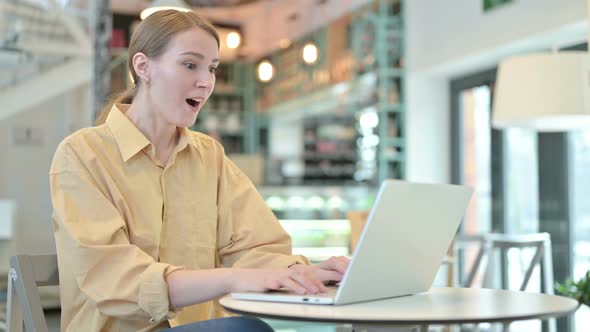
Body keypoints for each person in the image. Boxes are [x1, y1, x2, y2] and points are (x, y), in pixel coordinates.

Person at [49, 9, 349, 332]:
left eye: (212, 68)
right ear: (143, 66)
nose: (206, 82)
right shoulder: (81, 156)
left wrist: (303, 272)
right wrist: (233, 278)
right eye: (190, 65)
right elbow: (113, 277)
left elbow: (256, 247)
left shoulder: (211, 157)